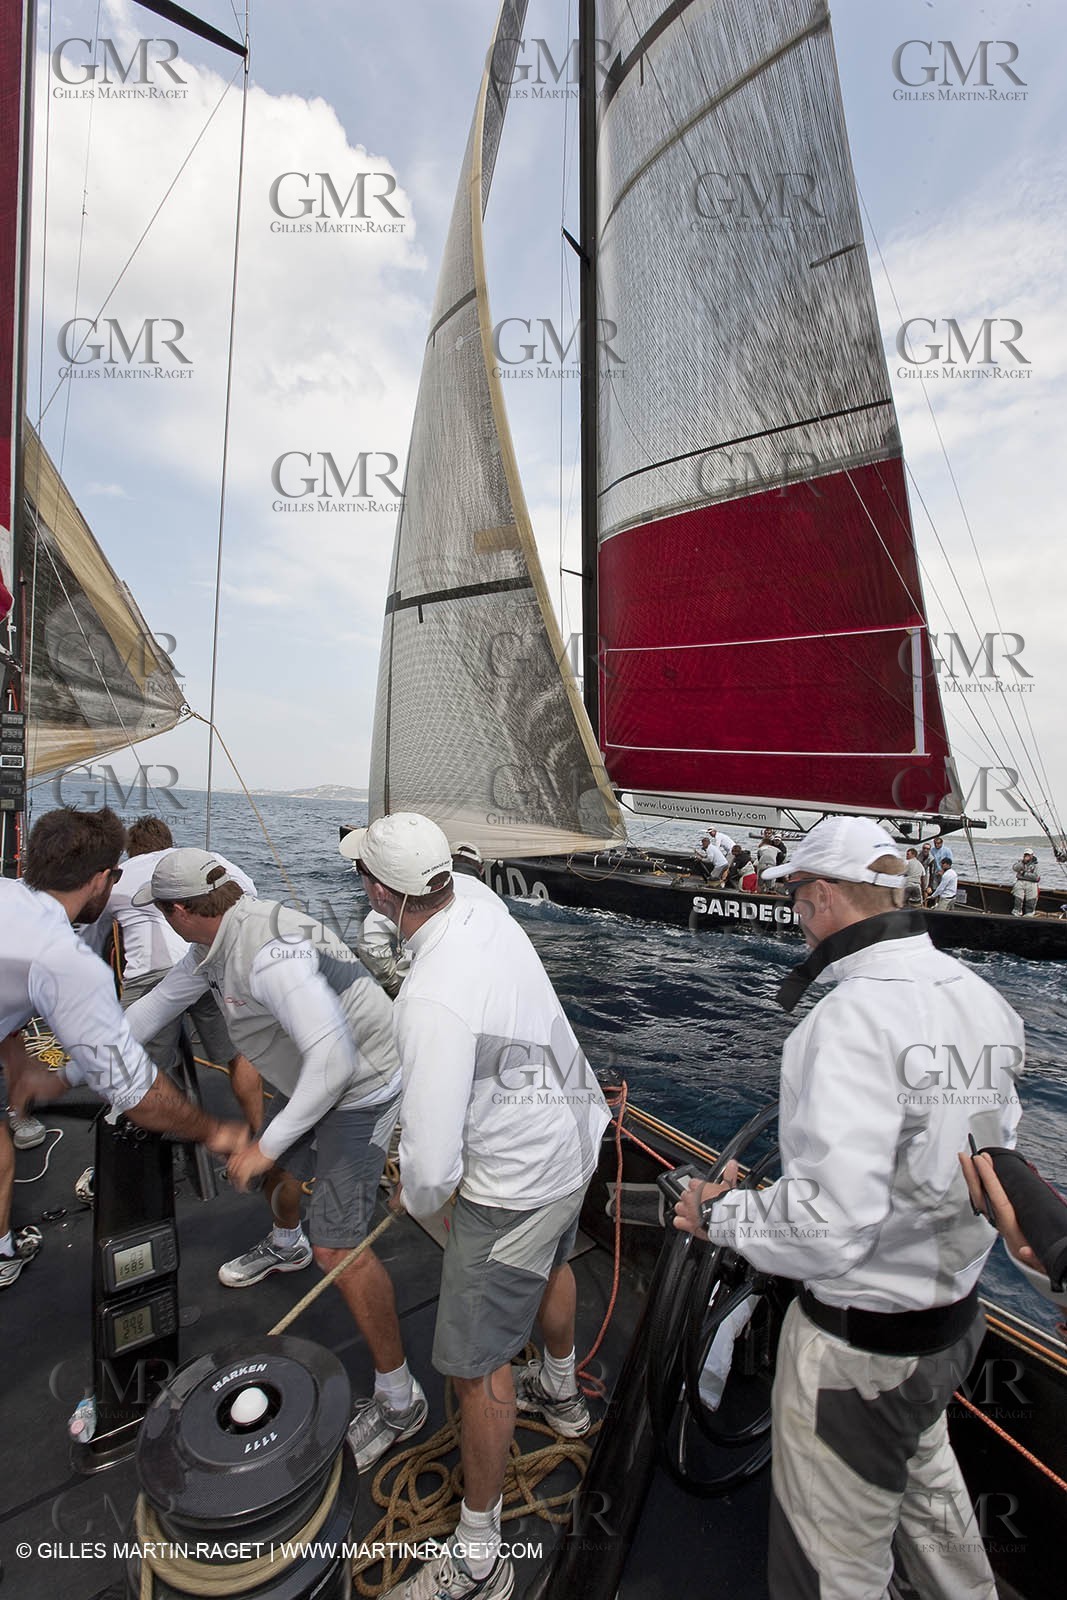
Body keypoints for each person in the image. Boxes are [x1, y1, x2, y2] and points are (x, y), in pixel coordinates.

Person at [674, 814, 1023, 1600]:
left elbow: (828, 1229)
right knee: (929, 1500)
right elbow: (982, 1165)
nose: (795, 916)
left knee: (832, 1571)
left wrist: (717, 1216)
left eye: (798, 897)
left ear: (825, 896)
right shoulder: (982, 1001)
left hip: (857, 1354)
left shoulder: (845, 1021)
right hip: (949, 1329)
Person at [348, 812, 610, 1600]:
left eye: (366, 878)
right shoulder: (477, 901)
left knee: (475, 1363)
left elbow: (429, 1168)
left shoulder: (427, 1000)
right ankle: (560, 1398)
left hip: (516, 1183)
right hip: (575, 1136)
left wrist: (413, 1194)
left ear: (383, 891)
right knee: (551, 1265)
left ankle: (478, 1552)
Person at [121, 847, 424, 1470]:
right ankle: (288, 1243)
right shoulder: (217, 942)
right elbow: (152, 1009)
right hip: (316, 1076)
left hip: (361, 1087)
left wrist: (263, 1145)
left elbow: (337, 1066)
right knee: (277, 1152)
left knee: (338, 1246)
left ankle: (401, 1399)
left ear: (179, 911)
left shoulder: (266, 954)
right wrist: (80, 1049)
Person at [0, 808, 248, 1156]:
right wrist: (217, 1132)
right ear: (102, 879)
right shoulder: (68, 965)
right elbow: (137, 1091)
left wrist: (38, 1069)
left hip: (155, 979)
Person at [81, 816, 259, 1118]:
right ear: (169, 844)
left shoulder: (118, 877)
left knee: (142, 1067)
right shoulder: (203, 863)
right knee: (237, 1054)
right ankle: (259, 1130)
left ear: (131, 850)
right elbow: (248, 888)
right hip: (208, 962)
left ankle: (154, 1136)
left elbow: (90, 940)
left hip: (150, 973)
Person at [1011, 850, 1040, 917]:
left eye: (1028, 855)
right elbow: (1015, 868)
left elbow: (1036, 877)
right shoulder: (1020, 862)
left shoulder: (1036, 865)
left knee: (1031, 899)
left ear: (1032, 855)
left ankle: (1029, 913)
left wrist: (1024, 873)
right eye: (1025, 855)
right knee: (1018, 897)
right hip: (1020, 881)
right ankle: (1017, 911)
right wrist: (1022, 863)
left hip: (1032, 883)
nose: (1027, 856)